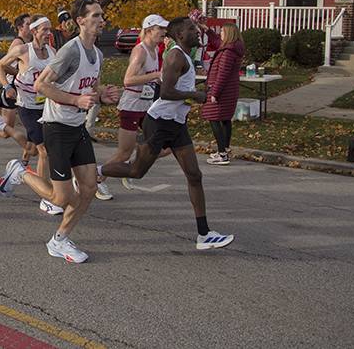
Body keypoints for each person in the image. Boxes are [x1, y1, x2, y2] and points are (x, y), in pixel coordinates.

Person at [97, 16, 234, 251]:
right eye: (191, 29)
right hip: (159, 122)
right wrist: (195, 95)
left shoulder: (185, 56)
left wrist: (193, 93)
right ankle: (95, 172)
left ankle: (204, 234)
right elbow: (167, 92)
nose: (197, 32)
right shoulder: (176, 56)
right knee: (136, 171)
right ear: (179, 34)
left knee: (195, 175)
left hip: (176, 123)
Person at [0, 0, 119, 263]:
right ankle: (20, 171)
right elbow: (41, 85)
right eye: (96, 16)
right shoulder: (70, 51)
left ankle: (59, 240)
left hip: (77, 127)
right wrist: (76, 101)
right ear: (80, 21)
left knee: (89, 188)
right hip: (57, 127)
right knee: (60, 198)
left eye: (102, 15)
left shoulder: (97, 55)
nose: (102, 20)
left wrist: (102, 96)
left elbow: (91, 91)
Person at [0, 13, 63, 215]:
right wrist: (8, 86)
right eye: (44, 30)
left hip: (46, 107)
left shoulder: (53, 52)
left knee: (32, 150)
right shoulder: (23, 50)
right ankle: (46, 198)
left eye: (50, 29)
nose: (48, 33)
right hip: (28, 107)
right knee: (44, 152)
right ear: (34, 31)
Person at [101, 14, 169, 191]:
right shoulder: (140, 51)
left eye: (164, 28)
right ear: (149, 30)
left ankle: (128, 169)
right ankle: (97, 178)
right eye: (160, 28)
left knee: (162, 148)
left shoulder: (155, 50)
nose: (164, 32)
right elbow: (128, 80)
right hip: (131, 107)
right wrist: (155, 75)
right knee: (124, 152)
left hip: (146, 106)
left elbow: (152, 77)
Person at [198, 22, 245, 165]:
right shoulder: (231, 47)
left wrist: (215, 93)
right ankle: (224, 150)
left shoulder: (228, 52)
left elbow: (222, 74)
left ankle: (222, 153)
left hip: (222, 91)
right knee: (225, 119)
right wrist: (207, 30)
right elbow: (217, 41)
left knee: (214, 118)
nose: (221, 34)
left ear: (229, 33)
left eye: (223, 31)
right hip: (229, 90)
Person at [0, 13, 37, 162]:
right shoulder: (18, 44)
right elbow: (4, 66)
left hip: (23, 89)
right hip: (11, 87)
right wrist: (21, 74)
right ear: (20, 27)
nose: (31, 26)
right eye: (27, 24)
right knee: (5, 132)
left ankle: (25, 162)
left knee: (32, 126)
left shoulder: (30, 44)